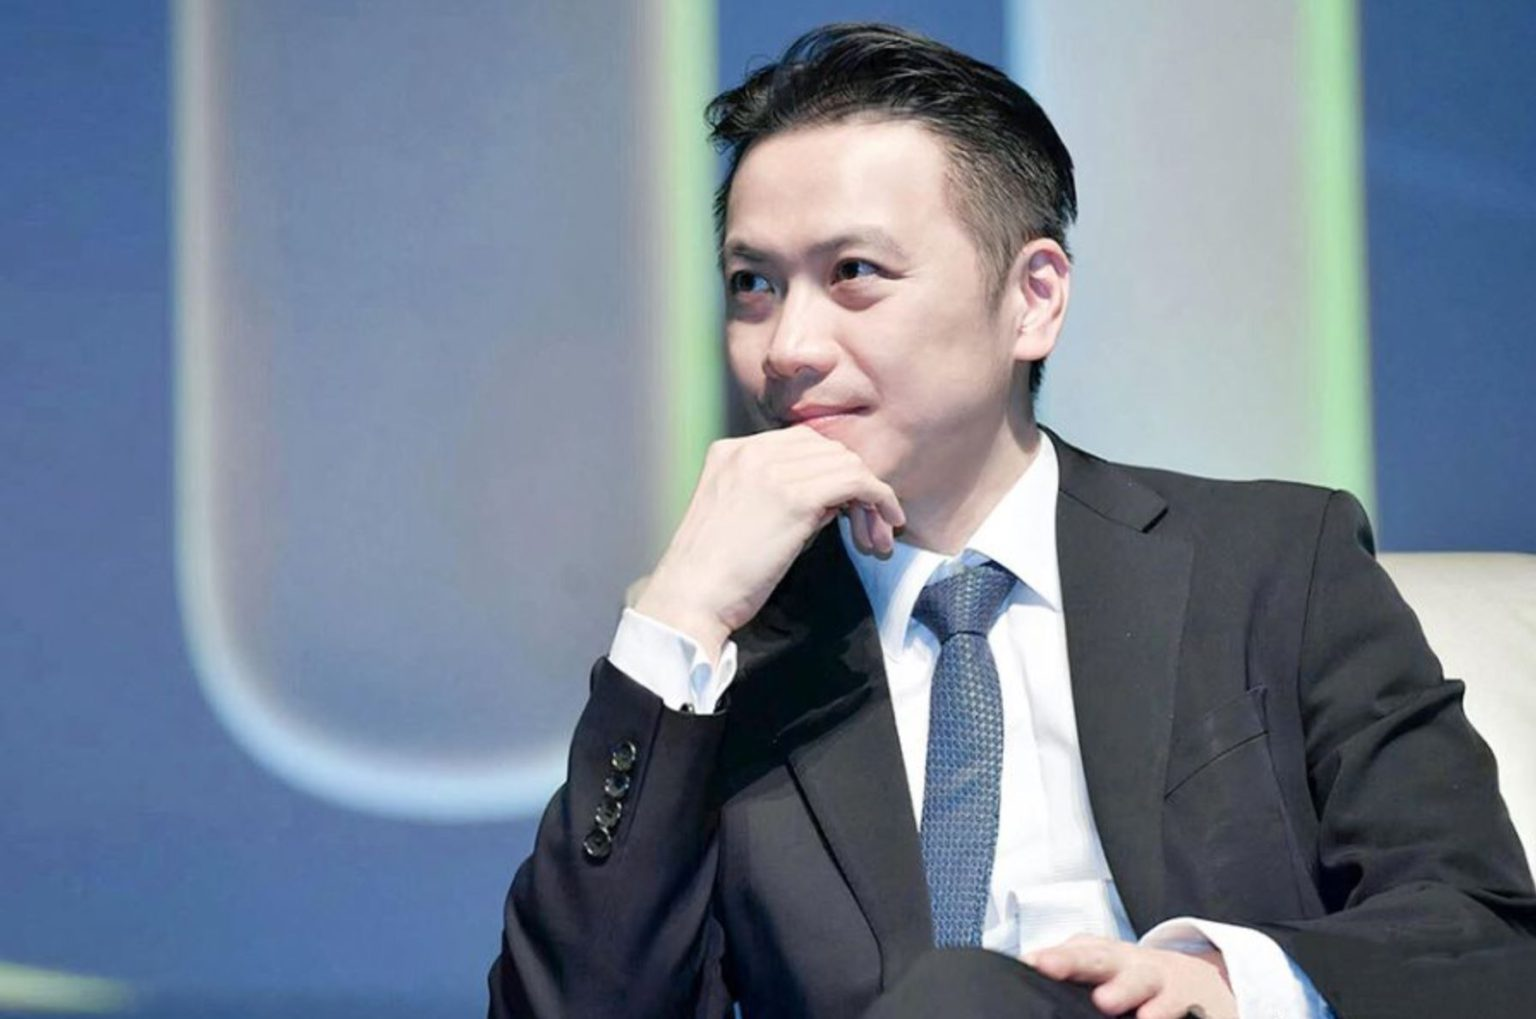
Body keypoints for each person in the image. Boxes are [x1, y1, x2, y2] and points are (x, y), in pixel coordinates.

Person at [488, 23, 1535, 1019]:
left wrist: (1228, 980)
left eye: (854, 273)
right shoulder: (724, 661)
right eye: (752, 284)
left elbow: (1484, 934)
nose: (788, 347)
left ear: (1033, 298)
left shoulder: (1270, 563)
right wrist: (677, 617)